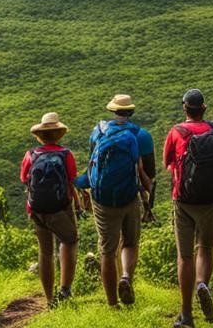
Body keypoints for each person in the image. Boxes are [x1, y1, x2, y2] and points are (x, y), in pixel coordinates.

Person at [163, 88, 213, 328]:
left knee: (185, 257)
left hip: (184, 200)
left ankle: (186, 314)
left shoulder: (176, 132)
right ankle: (202, 283)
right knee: (206, 248)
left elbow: (168, 165)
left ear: (185, 108)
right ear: (204, 108)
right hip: (212, 200)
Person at [75, 93, 152, 307]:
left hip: (103, 199)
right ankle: (126, 276)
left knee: (107, 250)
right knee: (130, 242)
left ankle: (112, 304)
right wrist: (147, 199)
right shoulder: (140, 135)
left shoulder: (98, 131)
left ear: (112, 111)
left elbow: (92, 163)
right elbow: (146, 171)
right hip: (129, 196)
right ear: (131, 112)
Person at [19, 112, 81, 308]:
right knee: (69, 241)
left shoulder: (30, 155)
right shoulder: (66, 154)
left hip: (36, 209)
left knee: (45, 252)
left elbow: (24, 179)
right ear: (59, 134)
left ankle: (48, 299)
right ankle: (65, 289)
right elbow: (72, 181)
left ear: (40, 135)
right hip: (61, 207)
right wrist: (78, 204)